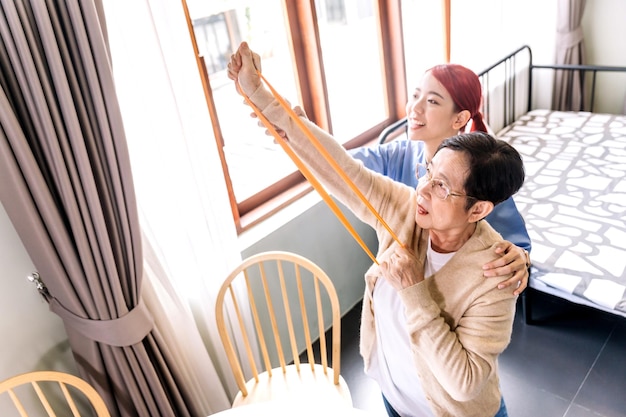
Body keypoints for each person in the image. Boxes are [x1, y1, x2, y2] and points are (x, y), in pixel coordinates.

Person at [228, 41, 521, 417]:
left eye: (442, 186)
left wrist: (415, 291)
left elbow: (464, 383)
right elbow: (340, 168)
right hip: (394, 396)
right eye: (429, 173)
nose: (423, 189)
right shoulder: (405, 207)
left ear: (478, 209)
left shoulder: (494, 275)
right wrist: (260, 95)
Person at [350, 63, 531, 295]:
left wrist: (520, 257)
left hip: (454, 295)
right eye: (415, 95)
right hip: (399, 284)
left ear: (460, 118)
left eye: (432, 101)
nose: (414, 108)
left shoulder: (480, 174)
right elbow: (338, 163)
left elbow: (517, 246)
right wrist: (300, 134)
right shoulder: (397, 154)